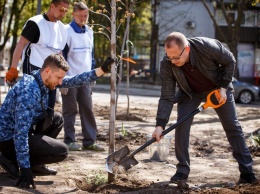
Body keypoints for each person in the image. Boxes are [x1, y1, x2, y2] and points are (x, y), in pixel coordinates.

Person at [152, 32, 257, 184]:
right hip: (190, 93)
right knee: (181, 125)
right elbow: (167, 96)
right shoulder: (167, 63)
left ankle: (247, 172)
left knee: (232, 127)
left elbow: (229, 61)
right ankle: (182, 171)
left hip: (217, 89)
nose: (173, 61)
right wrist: (160, 124)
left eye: (176, 57)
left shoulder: (206, 46)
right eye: (169, 57)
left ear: (186, 49)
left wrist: (223, 87)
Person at [0, 54, 114, 189]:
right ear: (48, 71)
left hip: (21, 132)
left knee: (56, 119)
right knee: (61, 151)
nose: (61, 82)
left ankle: (35, 165)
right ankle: (9, 158)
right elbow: (20, 133)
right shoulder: (28, 91)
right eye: (59, 78)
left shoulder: (40, 78)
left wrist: (101, 69)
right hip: (8, 140)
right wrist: (25, 169)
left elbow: (75, 80)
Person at [5, 0, 70, 111]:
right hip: (34, 70)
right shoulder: (35, 23)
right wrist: (13, 68)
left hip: (52, 73)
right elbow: (20, 44)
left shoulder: (63, 29)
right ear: (52, 6)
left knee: (49, 109)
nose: (63, 14)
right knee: (33, 108)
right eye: (61, 10)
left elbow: (59, 54)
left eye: (66, 11)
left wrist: (62, 76)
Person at [61, 2, 103, 151]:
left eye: (86, 16)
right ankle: (69, 140)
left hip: (85, 79)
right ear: (73, 14)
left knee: (87, 109)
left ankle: (89, 140)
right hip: (70, 78)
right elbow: (62, 56)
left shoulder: (90, 32)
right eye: (80, 16)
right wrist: (63, 79)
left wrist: (92, 75)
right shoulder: (66, 31)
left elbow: (90, 56)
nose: (83, 19)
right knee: (70, 110)